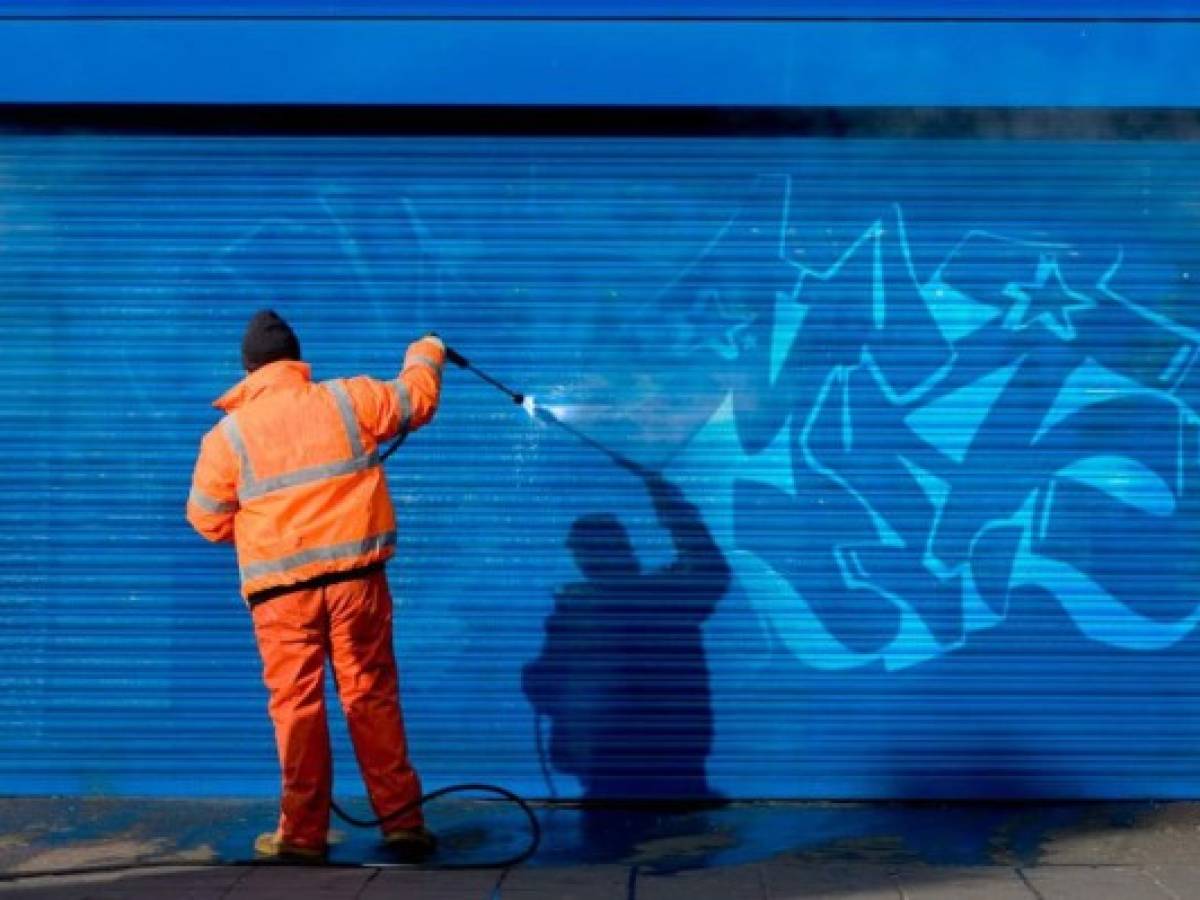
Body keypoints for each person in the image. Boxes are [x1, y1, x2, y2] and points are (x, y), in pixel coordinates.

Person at [186, 309, 444, 863]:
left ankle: (302, 836)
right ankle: (401, 824)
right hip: (357, 585)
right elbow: (415, 399)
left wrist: (267, 531)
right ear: (296, 362)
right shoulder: (348, 399)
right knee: (370, 695)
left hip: (281, 596)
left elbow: (206, 519)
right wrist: (427, 349)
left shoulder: (227, 436)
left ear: (248, 369)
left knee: (296, 707)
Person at [523, 472, 730, 827]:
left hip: (613, 771)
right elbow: (710, 568)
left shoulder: (582, 609)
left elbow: (547, 687)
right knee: (683, 861)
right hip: (670, 767)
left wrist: (536, 678)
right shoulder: (668, 595)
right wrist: (676, 509)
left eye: (584, 552)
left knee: (610, 853)